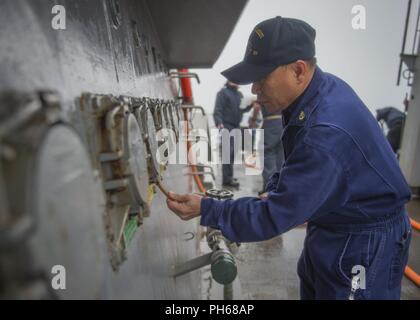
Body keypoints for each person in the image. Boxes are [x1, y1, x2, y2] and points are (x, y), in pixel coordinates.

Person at [167, 17, 412, 299]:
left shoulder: (325, 133)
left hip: (363, 243)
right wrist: (274, 189)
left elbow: (275, 216)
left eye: (262, 78)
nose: (254, 90)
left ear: (298, 70)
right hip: (332, 224)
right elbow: (296, 171)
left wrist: (207, 209)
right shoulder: (315, 92)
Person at [213, 81, 252, 188]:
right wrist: (219, 122)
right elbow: (218, 109)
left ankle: (229, 176)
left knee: (232, 153)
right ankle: (227, 180)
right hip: (226, 126)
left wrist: (251, 105)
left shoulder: (239, 95)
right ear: (229, 81)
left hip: (236, 127)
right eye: (233, 80)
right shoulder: (223, 93)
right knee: (227, 153)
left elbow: (242, 109)